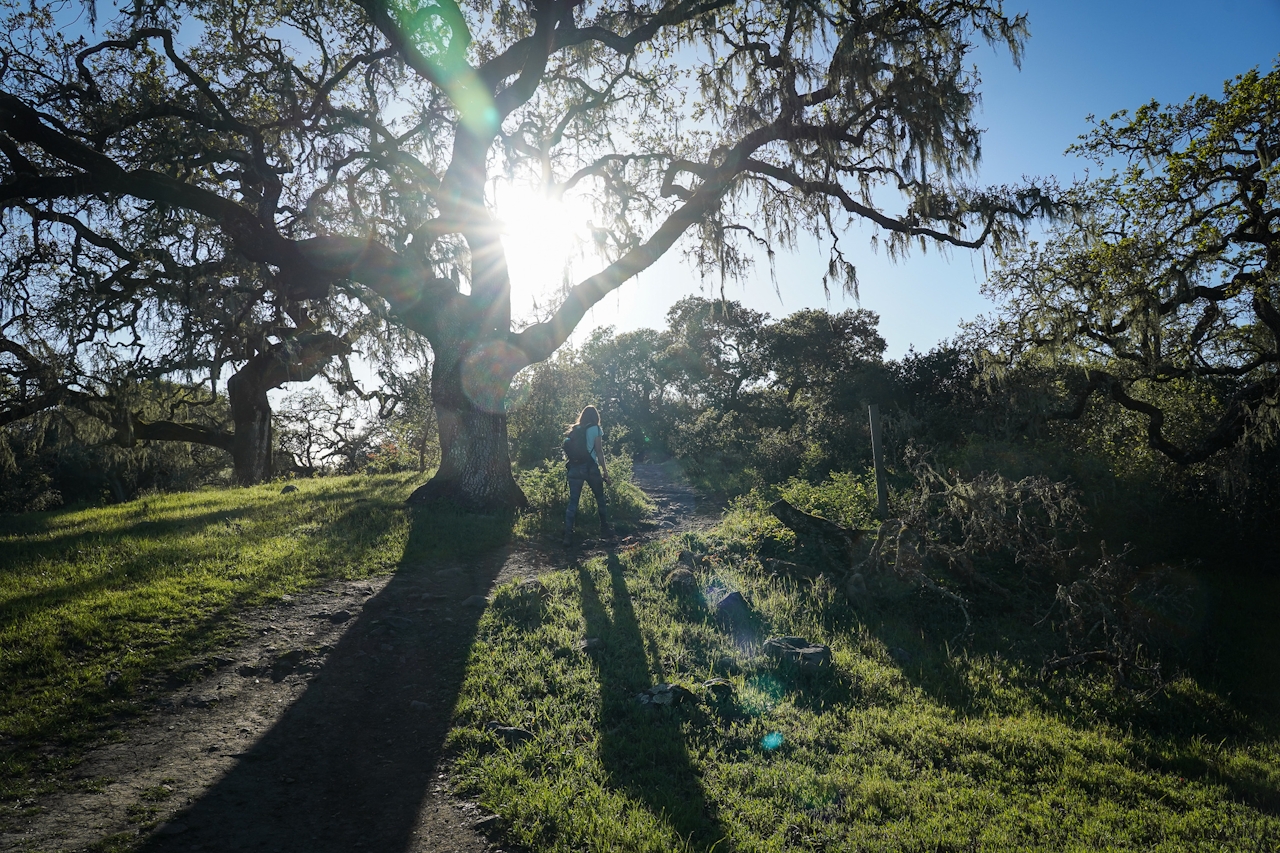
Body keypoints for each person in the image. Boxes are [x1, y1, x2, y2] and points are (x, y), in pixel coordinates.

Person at [563, 405, 612, 546]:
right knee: (600, 498)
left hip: (574, 468)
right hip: (590, 468)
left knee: (573, 502)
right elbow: (599, 451)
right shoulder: (595, 429)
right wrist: (605, 472)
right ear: (596, 417)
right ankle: (604, 528)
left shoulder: (575, 429)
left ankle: (568, 535)